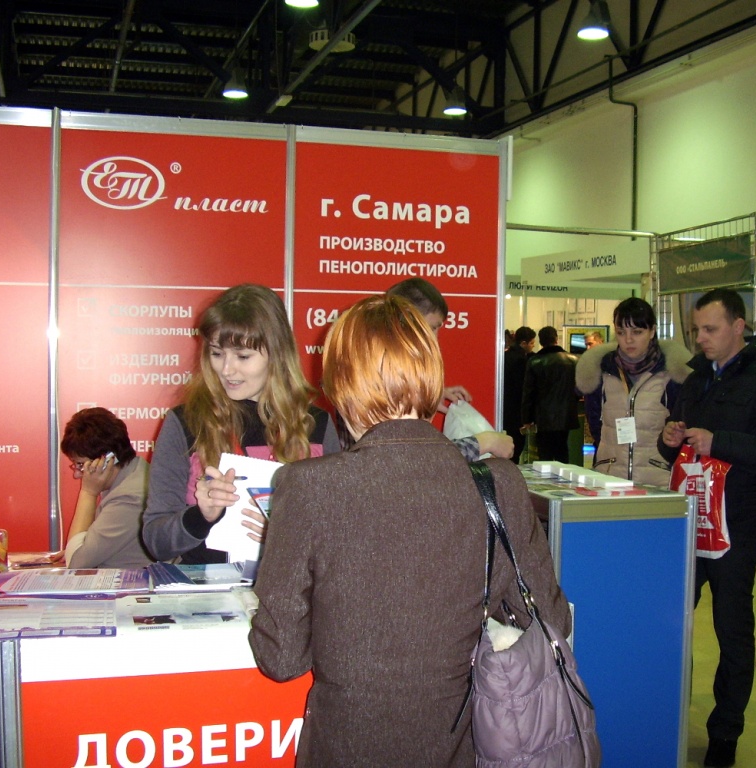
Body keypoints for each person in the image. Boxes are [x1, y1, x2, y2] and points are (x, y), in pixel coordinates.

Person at [248, 294, 571, 767]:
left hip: (344, 750)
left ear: (342, 385)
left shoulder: (307, 486)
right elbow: (549, 621)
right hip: (457, 747)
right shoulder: (497, 483)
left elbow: (281, 658)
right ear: (430, 374)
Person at [657, 288, 756, 768]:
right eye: (697, 329)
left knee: (732, 630)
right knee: (670, 619)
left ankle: (725, 735)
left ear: (739, 326)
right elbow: (677, 448)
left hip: (738, 526)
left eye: (710, 329)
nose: (701, 338)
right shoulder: (696, 379)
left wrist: (721, 443)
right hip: (692, 520)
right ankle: (664, 713)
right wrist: (670, 437)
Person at [142, 284, 341, 564]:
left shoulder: (315, 424)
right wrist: (201, 516)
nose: (226, 369)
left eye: (243, 356)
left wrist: (290, 535)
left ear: (277, 354)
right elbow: (156, 542)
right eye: (217, 353)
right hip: (207, 588)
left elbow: (340, 533)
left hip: (291, 588)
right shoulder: (186, 422)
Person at [386, 277, 513, 460]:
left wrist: (426, 399)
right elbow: (414, 458)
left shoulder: (390, 367)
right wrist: (485, 442)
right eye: (432, 328)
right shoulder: (385, 373)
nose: (435, 339)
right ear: (406, 319)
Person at [576, 298, 687, 485]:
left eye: (637, 332)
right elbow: (596, 426)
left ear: (652, 331)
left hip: (657, 481)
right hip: (609, 479)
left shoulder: (672, 375)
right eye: (621, 332)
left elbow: (679, 430)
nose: (628, 340)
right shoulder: (601, 371)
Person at [59, 407, 154, 568]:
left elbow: (75, 564)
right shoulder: (133, 472)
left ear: (107, 460)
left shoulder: (130, 497)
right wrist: (80, 547)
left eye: (80, 465)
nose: (76, 474)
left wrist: (88, 492)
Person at [521, 326, 578, 462]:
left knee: (544, 453)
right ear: (556, 339)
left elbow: (528, 392)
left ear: (541, 341)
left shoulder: (534, 361)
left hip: (542, 416)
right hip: (566, 414)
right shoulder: (573, 360)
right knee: (562, 451)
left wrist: (526, 419)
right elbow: (578, 388)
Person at [503, 326, 536, 464]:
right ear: (523, 343)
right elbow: (524, 389)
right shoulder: (522, 361)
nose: (533, 346)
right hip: (517, 410)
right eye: (532, 343)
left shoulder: (505, 356)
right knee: (517, 445)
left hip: (506, 408)